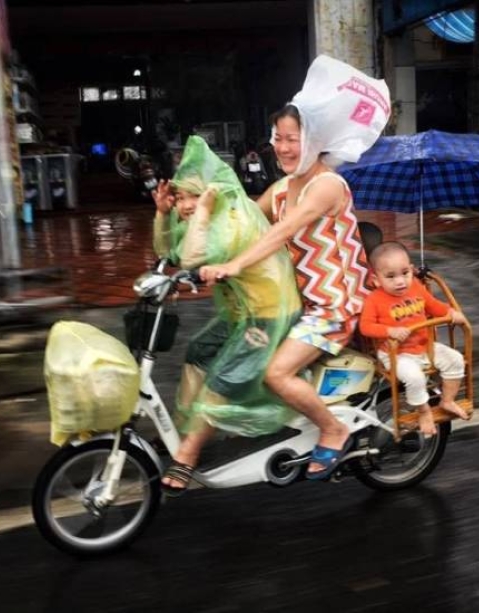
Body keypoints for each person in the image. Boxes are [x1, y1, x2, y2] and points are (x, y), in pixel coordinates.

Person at [200, 103, 374, 480]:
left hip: (333, 306)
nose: (282, 146)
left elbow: (283, 230)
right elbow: (244, 218)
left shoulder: (326, 185)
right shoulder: (281, 189)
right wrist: (196, 208)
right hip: (297, 302)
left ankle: (333, 429)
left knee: (277, 374)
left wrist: (236, 265)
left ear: (313, 141)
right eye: (278, 138)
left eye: (292, 138)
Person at [151, 136, 302, 496]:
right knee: (199, 350)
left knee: (223, 374)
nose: (185, 206)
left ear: (212, 193)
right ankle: (184, 431)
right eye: (181, 197)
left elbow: (192, 259)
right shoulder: (206, 218)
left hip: (268, 316)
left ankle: (187, 454)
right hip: (241, 316)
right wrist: (161, 213)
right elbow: (170, 253)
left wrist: (202, 210)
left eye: (193, 195)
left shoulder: (232, 217)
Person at [359, 241, 471, 437]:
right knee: (415, 378)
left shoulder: (417, 288)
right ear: (376, 280)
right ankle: (424, 411)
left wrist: (451, 313)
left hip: (424, 346)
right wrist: (389, 331)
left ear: (412, 270)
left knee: (455, 359)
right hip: (395, 354)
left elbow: (434, 306)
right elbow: (366, 327)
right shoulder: (374, 299)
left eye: (405, 273)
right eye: (391, 277)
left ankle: (447, 400)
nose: (400, 281)